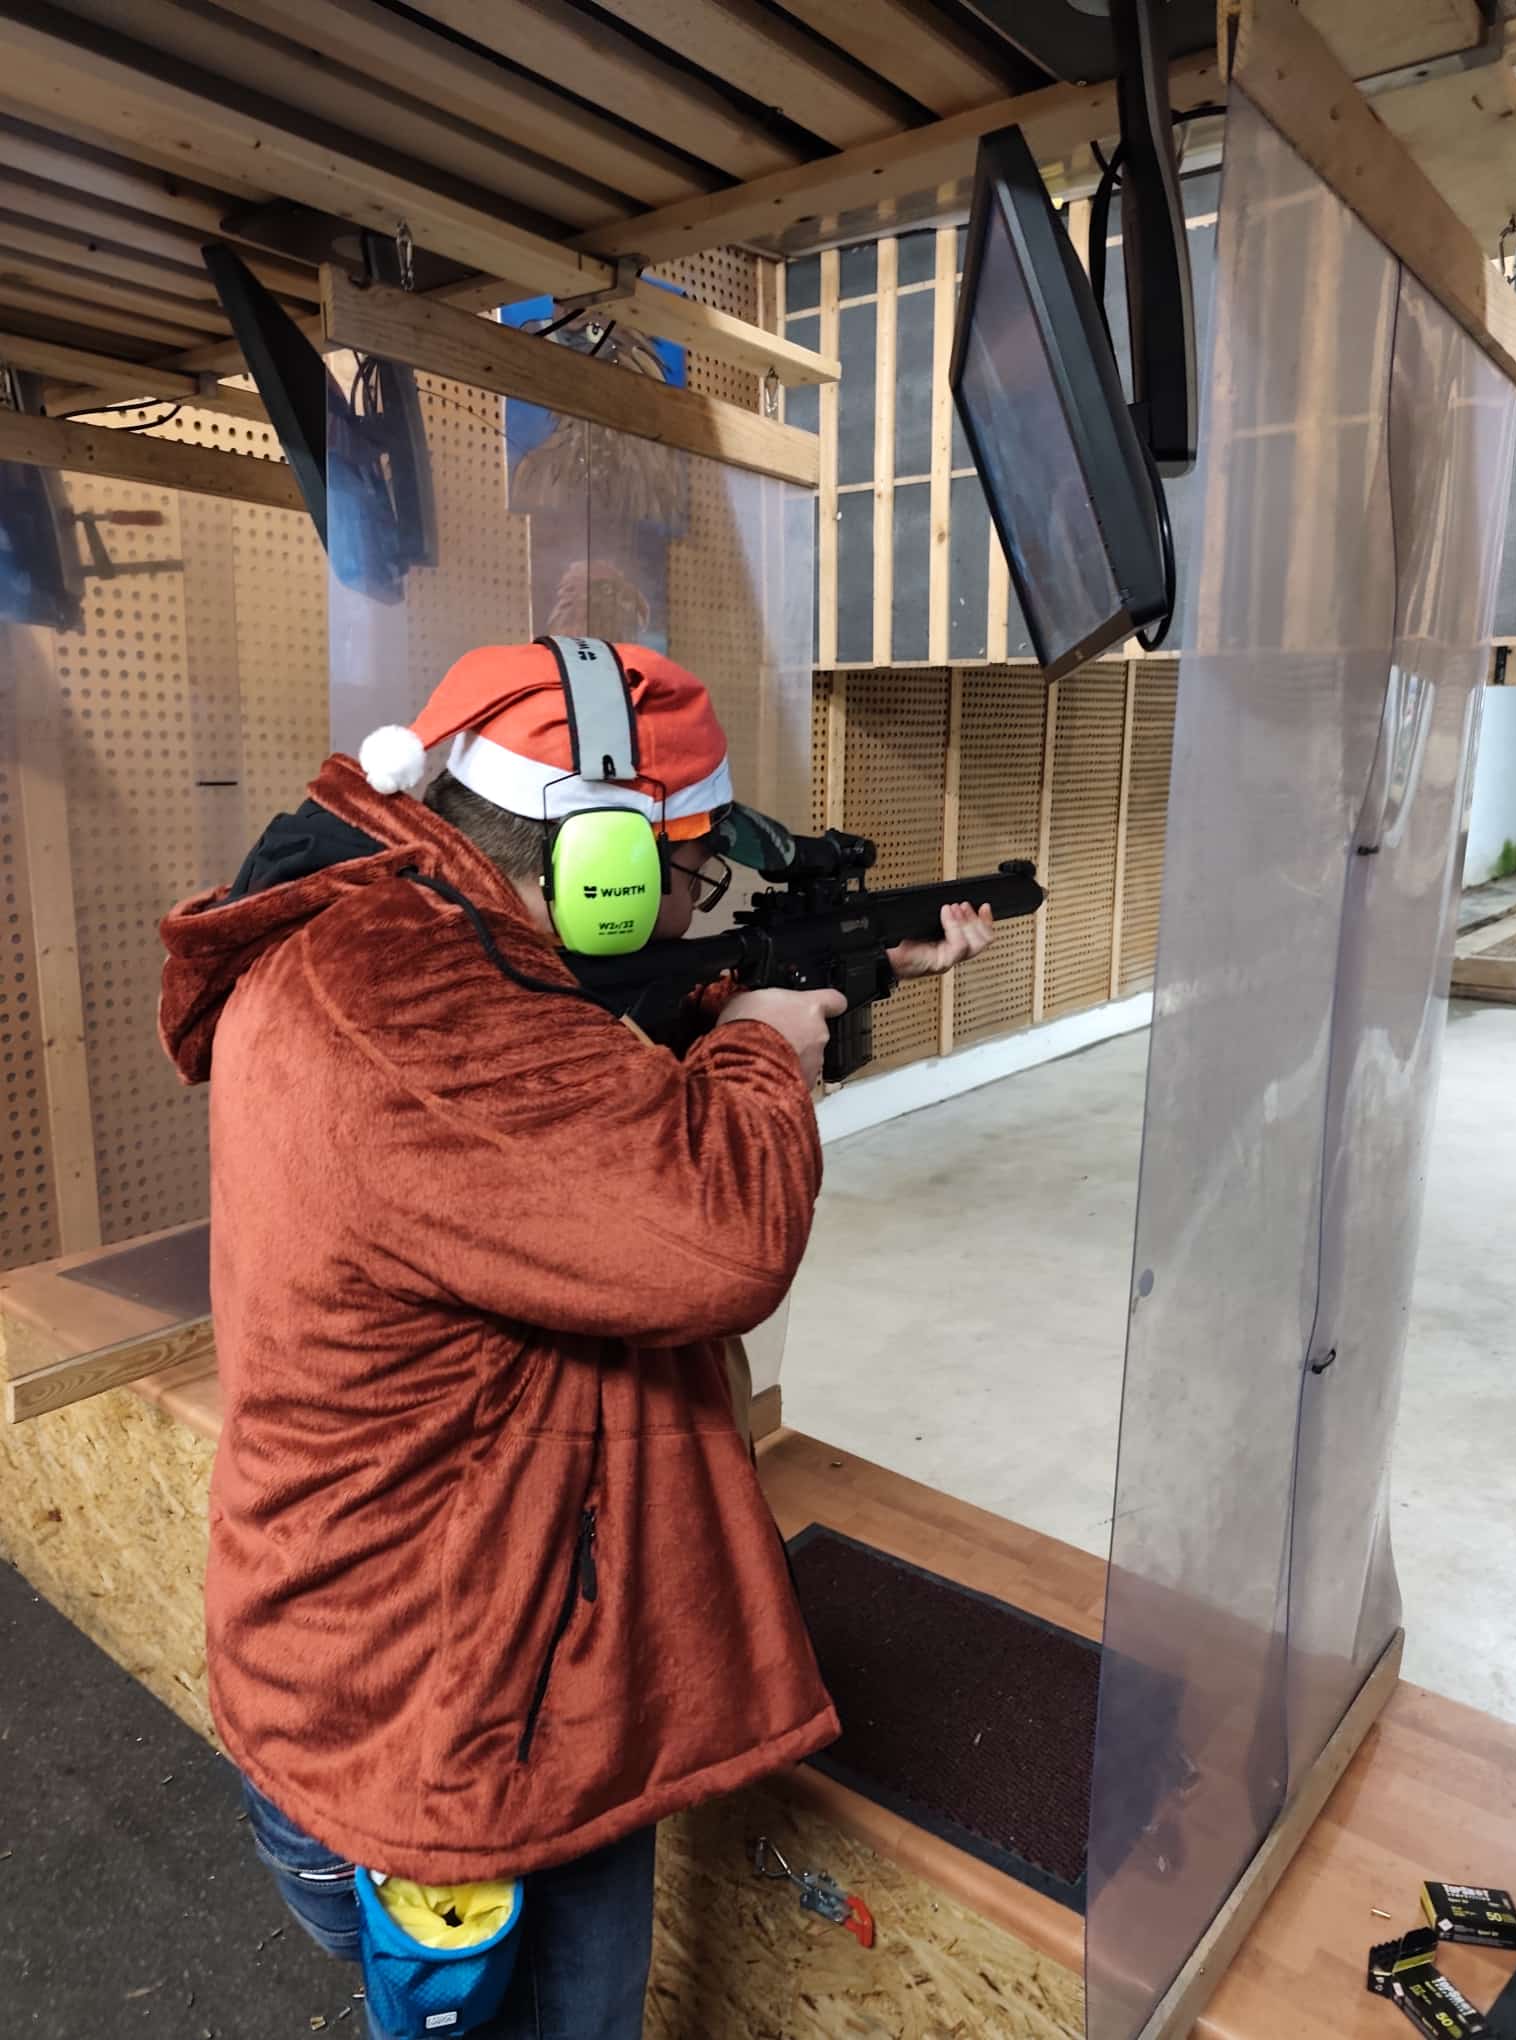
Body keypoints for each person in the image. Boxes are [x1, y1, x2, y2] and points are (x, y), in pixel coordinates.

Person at [159, 638, 993, 2040]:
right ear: (598, 862)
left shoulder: (392, 927)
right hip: (469, 1725)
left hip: (392, 1653)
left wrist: (842, 972)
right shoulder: (416, 1014)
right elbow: (718, 1238)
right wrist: (762, 1047)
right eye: (692, 873)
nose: (697, 905)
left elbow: (573, 1076)